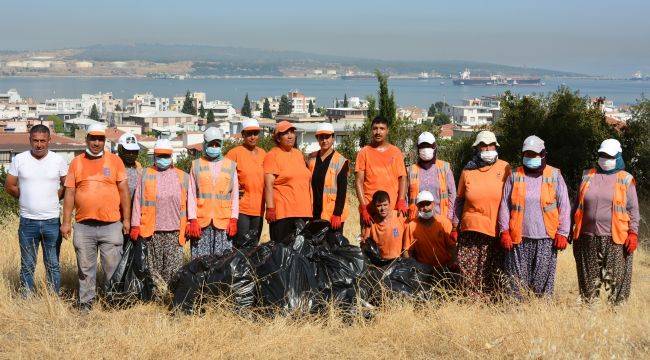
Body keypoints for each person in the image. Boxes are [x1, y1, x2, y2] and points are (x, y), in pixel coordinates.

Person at [61, 124, 131, 311]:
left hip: (111, 225)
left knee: (112, 268)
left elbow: (124, 192)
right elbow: (69, 193)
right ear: (87, 139)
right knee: (85, 269)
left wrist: (126, 220)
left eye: (100, 139)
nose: (96, 142)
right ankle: (86, 303)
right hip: (84, 226)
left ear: (104, 141)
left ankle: (113, 302)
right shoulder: (77, 162)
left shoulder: (115, 161)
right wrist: (66, 222)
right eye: (93, 138)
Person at [498, 136, 570, 298]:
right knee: (516, 285)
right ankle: (517, 317)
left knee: (542, 285)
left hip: (546, 238)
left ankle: (539, 315)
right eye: (527, 154)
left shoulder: (554, 175)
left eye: (534, 154)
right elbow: (504, 205)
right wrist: (504, 231)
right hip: (518, 239)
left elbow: (564, 205)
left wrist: (563, 232)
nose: (530, 158)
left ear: (543, 154)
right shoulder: (514, 175)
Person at [572, 138, 639, 304]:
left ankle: (616, 317)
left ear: (618, 157)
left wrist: (633, 233)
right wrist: (568, 229)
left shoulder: (625, 179)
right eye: (602, 155)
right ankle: (589, 313)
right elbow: (577, 205)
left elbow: (633, 210)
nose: (605, 159)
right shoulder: (588, 176)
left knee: (615, 284)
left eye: (609, 156)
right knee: (588, 284)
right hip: (587, 237)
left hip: (615, 239)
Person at [5, 125, 68, 296]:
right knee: (27, 264)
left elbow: (68, 186)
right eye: (35, 141)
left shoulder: (58, 160)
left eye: (42, 141)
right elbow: (9, 185)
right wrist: (25, 196)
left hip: (52, 221)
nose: (39, 145)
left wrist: (56, 196)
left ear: (49, 140)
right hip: (27, 221)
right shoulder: (19, 159)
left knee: (53, 264)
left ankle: (53, 298)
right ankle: (27, 298)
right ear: (30, 140)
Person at [453, 130, 511, 295]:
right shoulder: (467, 170)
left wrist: (507, 228)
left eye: (490, 145)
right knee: (470, 275)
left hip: (495, 230)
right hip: (471, 230)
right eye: (482, 146)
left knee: (495, 273)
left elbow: (510, 199)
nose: (486, 149)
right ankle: (472, 306)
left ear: (496, 146)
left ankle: (492, 308)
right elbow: (459, 200)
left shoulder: (505, 168)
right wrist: (453, 226)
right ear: (477, 148)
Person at [130, 139, 188, 286]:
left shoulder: (183, 176)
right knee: (153, 268)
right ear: (154, 156)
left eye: (166, 155)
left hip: (175, 231)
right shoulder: (145, 174)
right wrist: (135, 225)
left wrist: (190, 222)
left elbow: (190, 203)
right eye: (160, 155)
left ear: (171, 156)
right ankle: (157, 297)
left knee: (173, 268)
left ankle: (170, 296)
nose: (163, 159)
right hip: (152, 231)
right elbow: (137, 201)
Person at [187, 127, 239, 259]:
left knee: (221, 263)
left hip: (223, 223)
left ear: (221, 144)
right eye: (211, 144)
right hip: (201, 223)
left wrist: (233, 219)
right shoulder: (196, 165)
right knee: (200, 263)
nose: (214, 147)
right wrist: (192, 220)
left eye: (217, 144)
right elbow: (191, 195)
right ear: (205, 144)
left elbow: (235, 196)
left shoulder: (231, 165)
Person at [263, 121, 312, 243]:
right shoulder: (272, 155)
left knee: (300, 252)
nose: (290, 136)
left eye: (292, 132)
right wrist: (270, 208)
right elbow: (268, 183)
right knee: (282, 253)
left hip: (303, 212)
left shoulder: (298, 154)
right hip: (283, 213)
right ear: (278, 138)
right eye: (285, 133)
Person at [355, 116, 407, 230]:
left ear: (387, 130)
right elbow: (358, 181)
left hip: (392, 210)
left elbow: (402, 178)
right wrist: (364, 208)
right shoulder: (363, 153)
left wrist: (401, 200)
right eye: (375, 128)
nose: (378, 132)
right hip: (370, 212)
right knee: (368, 245)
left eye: (382, 128)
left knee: (393, 245)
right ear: (371, 130)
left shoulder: (396, 152)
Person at [225, 119, 266, 246]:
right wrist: (233, 190)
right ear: (243, 135)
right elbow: (224, 178)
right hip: (241, 209)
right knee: (241, 246)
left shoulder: (264, 154)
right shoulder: (234, 153)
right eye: (249, 134)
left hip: (259, 208)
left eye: (255, 133)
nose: (253, 137)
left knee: (254, 246)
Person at [407, 132, 456, 232]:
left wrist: (450, 219)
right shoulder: (410, 170)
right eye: (422, 146)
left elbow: (452, 195)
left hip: (440, 222)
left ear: (434, 147)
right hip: (416, 223)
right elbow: (405, 198)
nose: (425, 149)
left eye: (428, 146)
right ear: (418, 148)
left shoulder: (445, 168)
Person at [307, 123, 349, 232]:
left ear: (333, 138)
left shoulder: (340, 161)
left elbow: (342, 191)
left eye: (327, 137)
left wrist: (337, 214)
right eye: (321, 137)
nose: (324, 140)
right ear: (317, 138)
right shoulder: (311, 158)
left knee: (332, 248)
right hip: (314, 213)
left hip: (332, 215)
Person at [406, 191, 457, 271]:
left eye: (428, 204)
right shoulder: (411, 226)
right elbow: (407, 252)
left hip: (444, 269)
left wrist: (449, 266)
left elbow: (452, 247)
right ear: (417, 206)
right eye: (422, 205)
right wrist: (414, 268)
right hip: (422, 271)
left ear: (433, 204)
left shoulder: (444, 223)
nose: (425, 208)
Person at [361, 191, 408, 261]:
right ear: (374, 206)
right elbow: (365, 245)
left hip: (400, 260)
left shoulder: (399, 216)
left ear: (389, 204)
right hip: (381, 262)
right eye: (379, 206)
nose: (383, 208)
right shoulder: (371, 222)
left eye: (385, 205)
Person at [116, 132, 142, 199]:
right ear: (120, 150)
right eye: (128, 151)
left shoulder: (138, 166)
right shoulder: (114, 165)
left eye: (134, 151)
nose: (131, 154)